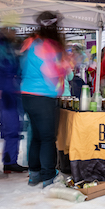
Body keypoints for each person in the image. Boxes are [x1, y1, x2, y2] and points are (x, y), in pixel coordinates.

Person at [20, 11, 68, 187]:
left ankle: (34, 174)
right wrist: (63, 71)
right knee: (48, 138)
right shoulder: (47, 45)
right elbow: (51, 72)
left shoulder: (30, 42)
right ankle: (48, 176)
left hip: (27, 95)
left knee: (37, 136)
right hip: (43, 96)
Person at [0, 25, 28, 174]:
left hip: (14, 89)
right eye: (12, 29)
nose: (15, 32)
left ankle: (11, 160)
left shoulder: (11, 44)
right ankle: (9, 161)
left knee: (15, 126)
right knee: (11, 126)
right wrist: (1, 88)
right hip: (5, 90)